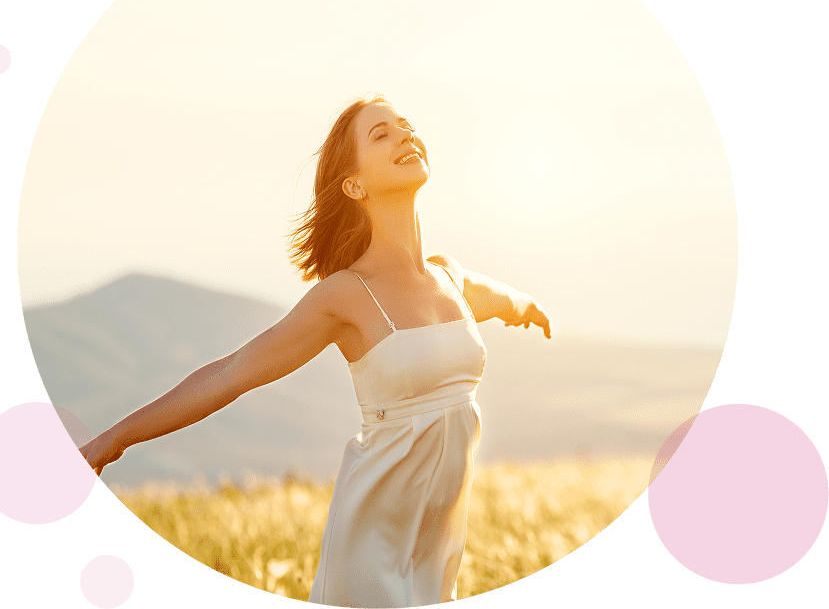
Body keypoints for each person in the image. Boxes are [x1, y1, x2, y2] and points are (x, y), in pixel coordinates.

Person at [79, 94, 551, 608]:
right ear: (354, 185)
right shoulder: (346, 295)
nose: (404, 135)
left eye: (406, 126)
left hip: (437, 548)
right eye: (382, 134)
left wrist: (529, 309)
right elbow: (230, 373)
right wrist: (113, 440)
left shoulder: (448, 276)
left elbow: (501, 300)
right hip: (371, 546)